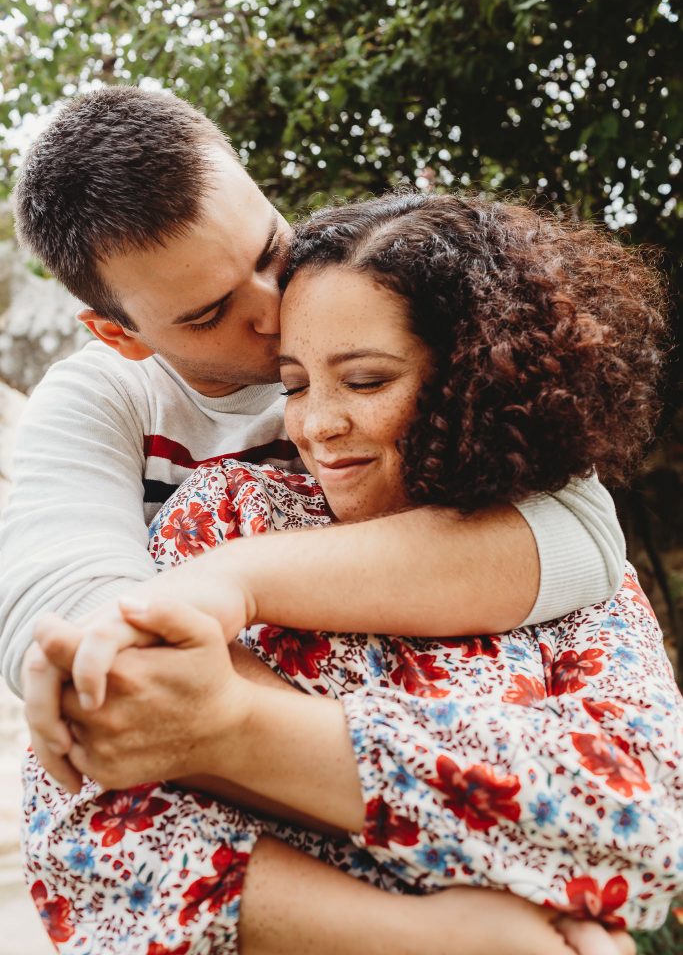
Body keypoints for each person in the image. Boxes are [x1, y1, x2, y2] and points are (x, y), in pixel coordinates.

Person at [23, 194, 681, 955]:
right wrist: (430, 937)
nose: (314, 424)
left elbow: (644, 819)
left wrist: (231, 730)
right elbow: (86, 832)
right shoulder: (226, 509)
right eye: (293, 384)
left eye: (365, 381)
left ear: (479, 374)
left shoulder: (566, 572)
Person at [1, 87, 626, 771]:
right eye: (210, 313)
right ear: (119, 335)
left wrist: (237, 580)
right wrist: (364, 779)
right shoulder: (102, 402)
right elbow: (65, 631)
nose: (273, 310)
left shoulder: (392, 304)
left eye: (271, 249)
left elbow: (579, 536)